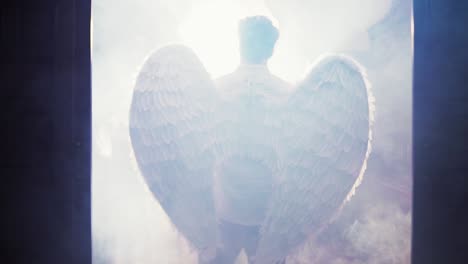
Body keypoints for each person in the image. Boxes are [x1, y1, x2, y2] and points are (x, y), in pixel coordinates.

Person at [205, 16, 290, 264]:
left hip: (224, 206)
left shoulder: (215, 88)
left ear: (239, 44)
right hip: (266, 209)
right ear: (272, 50)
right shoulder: (288, 93)